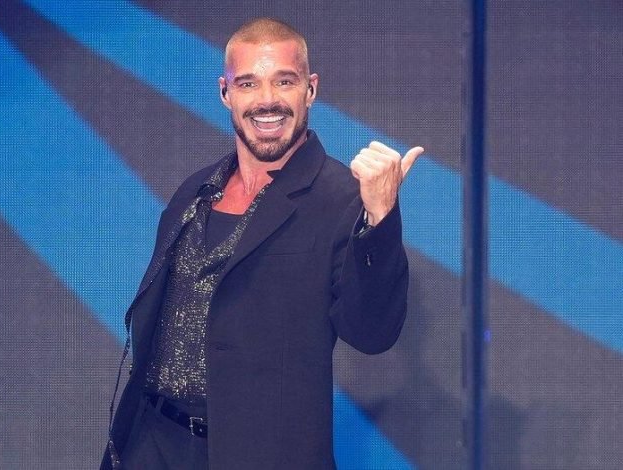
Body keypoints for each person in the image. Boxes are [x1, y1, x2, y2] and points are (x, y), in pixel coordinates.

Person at [102, 17, 422, 470]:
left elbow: (372, 333)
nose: (267, 100)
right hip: (153, 444)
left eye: (284, 81)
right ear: (225, 93)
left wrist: (381, 217)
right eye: (248, 83)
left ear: (310, 90)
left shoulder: (343, 199)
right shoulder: (195, 192)